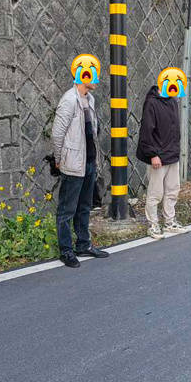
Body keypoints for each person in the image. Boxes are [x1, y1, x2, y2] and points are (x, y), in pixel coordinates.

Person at [52, 54, 110, 268]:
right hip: (73, 162)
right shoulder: (69, 100)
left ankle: (83, 244)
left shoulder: (90, 99)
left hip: (89, 161)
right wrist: (59, 159)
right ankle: (66, 250)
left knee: (85, 206)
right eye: (94, 74)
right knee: (67, 209)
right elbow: (57, 134)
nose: (97, 79)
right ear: (83, 74)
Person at [137, 67, 189, 239]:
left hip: (172, 155)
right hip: (158, 156)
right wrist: (153, 154)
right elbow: (146, 131)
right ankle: (153, 224)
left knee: (173, 190)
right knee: (155, 193)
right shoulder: (152, 102)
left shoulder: (172, 101)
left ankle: (169, 221)